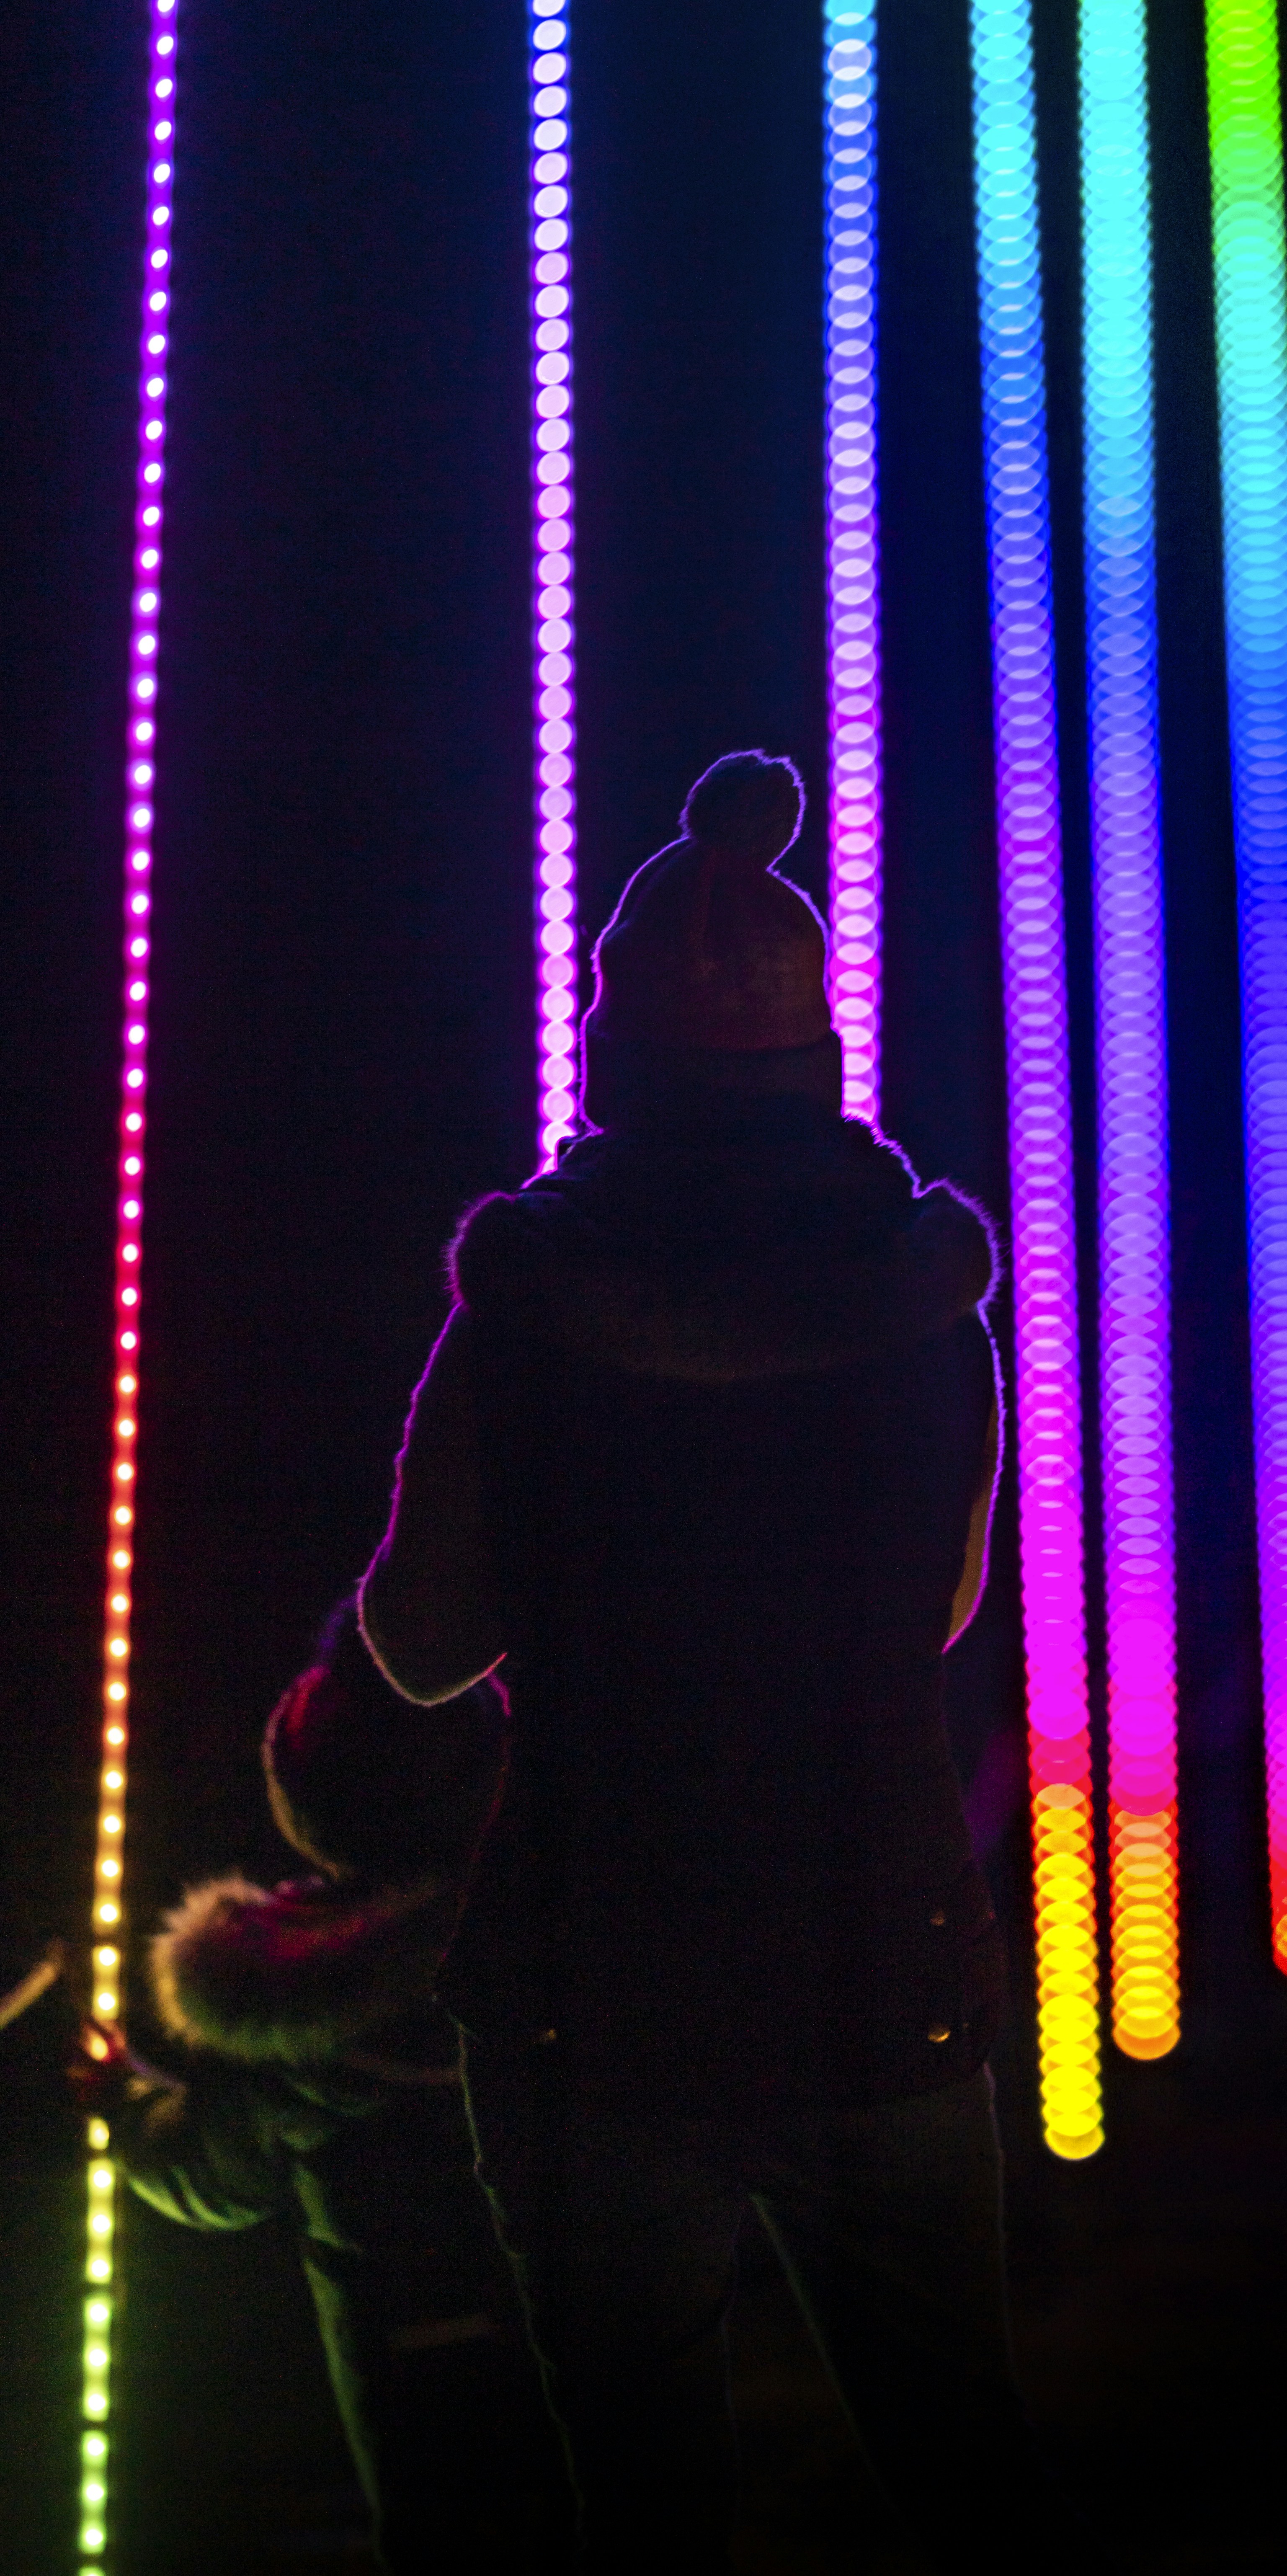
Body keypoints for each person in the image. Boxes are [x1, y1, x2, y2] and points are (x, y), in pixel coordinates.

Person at [361, 750, 1049, 2570]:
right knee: (963, 2473)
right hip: (874, 1954)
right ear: (812, 1050)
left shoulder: (522, 1309)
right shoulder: (919, 1303)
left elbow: (421, 1644)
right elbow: (941, 1607)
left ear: (611, 1049)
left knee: (641, 2512)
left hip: (595, 1986)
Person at [70, 1596, 571, 2573]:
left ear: (308, 1799)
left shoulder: (292, 2011)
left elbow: (209, 2175)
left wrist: (123, 2100)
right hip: (607, 2327)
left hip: (411, 2356)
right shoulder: (572, 1936)